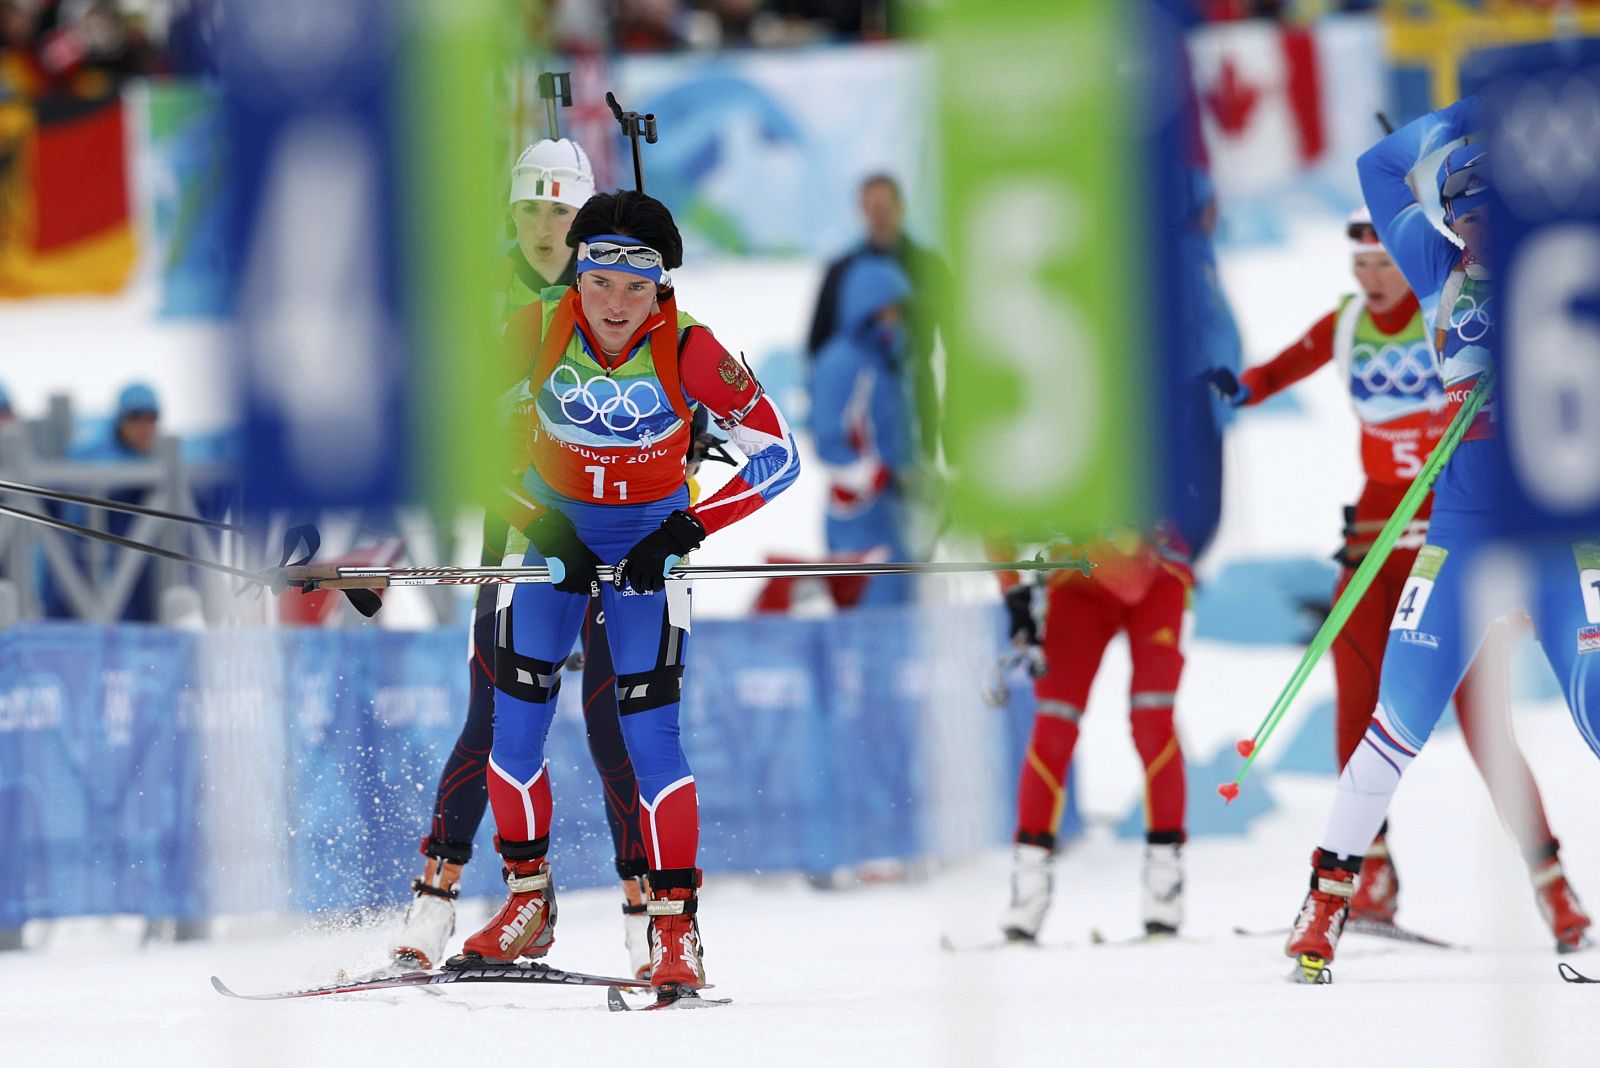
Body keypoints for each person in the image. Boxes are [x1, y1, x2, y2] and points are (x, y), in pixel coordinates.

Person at [450, 190, 799, 1000]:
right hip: (556, 540)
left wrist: (685, 531)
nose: (614, 303)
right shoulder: (535, 328)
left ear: (662, 287)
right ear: (578, 271)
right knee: (515, 731)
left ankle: (674, 926)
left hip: (648, 546)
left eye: (635, 287)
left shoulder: (691, 348)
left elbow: (777, 456)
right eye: (600, 279)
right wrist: (538, 524)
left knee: (653, 745)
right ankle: (527, 904)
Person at [1207, 211, 1589, 945]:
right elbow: (1287, 365)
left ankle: (1553, 885)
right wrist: (1242, 388)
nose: (1371, 279)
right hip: (1376, 537)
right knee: (1361, 709)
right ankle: (1366, 874)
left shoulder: (1446, 314)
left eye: (1384, 263)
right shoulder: (1350, 323)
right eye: (1360, 264)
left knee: (1484, 720)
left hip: (1454, 533)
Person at [1284, 100, 1600, 983]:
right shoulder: (1434, 267)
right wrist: (1471, 111)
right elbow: (1376, 174)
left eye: (1489, 214)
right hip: (1459, 526)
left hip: (1556, 525)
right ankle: (1326, 901)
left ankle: (1563, 895)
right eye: (1461, 215)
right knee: (1396, 720)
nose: (1473, 232)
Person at [391, 139, 660, 978]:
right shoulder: (493, 303)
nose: (546, 227)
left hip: (619, 539)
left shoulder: (624, 289)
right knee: (493, 721)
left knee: (618, 726)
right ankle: (439, 911)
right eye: (529, 209)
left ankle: (647, 922)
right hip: (522, 539)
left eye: (562, 209)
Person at [995, 525, 1194, 941]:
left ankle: (1164, 889)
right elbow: (995, 524)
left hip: (1158, 574)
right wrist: (1014, 595)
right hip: (1080, 581)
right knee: (1053, 726)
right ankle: (1026, 894)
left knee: (1151, 723)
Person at [807, 174, 946, 458]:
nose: (878, 214)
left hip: (923, 408)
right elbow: (818, 346)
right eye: (871, 207)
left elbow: (957, 341)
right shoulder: (841, 272)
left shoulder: (930, 268)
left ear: (901, 207)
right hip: (860, 416)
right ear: (861, 211)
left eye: (884, 205)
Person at [809, 255, 917, 606]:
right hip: (857, 516)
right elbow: (829, 444)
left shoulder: (886, 361)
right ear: (867, 306)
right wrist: (882, 476)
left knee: (901, 615)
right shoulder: (840, 363)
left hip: (895, 513)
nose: (898, 318)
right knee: (867, 621)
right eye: (891, 308)